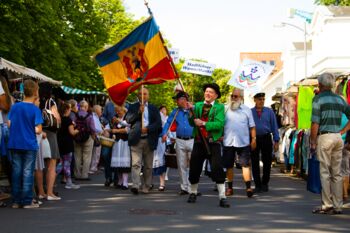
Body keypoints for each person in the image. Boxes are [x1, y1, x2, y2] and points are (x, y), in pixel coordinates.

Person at [311, 73, 350, 215]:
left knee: (325, 172)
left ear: (320, 85)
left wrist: (313, 141)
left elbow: (315, 122)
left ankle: (327, 204)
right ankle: (338, 205)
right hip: (338, 137)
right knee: (337, 173)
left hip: (325, 137)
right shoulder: (340, 100)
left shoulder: (318, 99)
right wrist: (342, 131)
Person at [187, 83, 229, 208]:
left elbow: (219, 124)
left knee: (217, 168)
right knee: (194, 167)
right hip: (199, 142)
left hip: (213, 142)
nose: (207, 94)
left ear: (216, 95)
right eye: (206, 91)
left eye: (211, 92)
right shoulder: (198, 105)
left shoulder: (220, 107)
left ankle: (222, 197)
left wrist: (204, 123)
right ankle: (193, 192)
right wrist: (191, 114)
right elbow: (192, 123)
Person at [8, 80, 43, 208]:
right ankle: (27, 201)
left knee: (16, 171)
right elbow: (39, 129)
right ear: (35, 92)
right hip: (29, 144)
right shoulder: (35, 110)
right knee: (28, 172)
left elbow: (9, 124)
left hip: (14, 143)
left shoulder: (15, 106)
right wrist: (31, 128)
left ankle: (16, 201)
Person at [125, 87, 162, 195]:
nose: (143, 96)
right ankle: (135, 185)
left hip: (149, 139)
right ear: (137, 95)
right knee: (136, 164)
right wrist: (138, 112)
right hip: (136, 139)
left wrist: (148, 128)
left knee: (148, 165)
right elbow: (128, 120)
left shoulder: (153, 108)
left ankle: (146, 186)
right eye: (140, 94)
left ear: (148, 96)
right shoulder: (132, 107)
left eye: (145, 94)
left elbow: (158, 124)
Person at [222, 88, 256, 198]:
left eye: (235, 96)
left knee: (245, 165)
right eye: (232, 96)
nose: (233, 98)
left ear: (241, 98)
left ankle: (248, 187)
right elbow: (220, 124)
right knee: (229, 166)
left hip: (243, 142)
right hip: (228, 141)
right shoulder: (225, 108)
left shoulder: (247, 110)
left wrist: (254, 139)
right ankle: (230, 188)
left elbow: (252, 126)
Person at [162, 91, 194, 195]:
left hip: (192, 140)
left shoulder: (193, 110)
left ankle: (192, 187)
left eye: (178, 99)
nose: (176, 101)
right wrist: (164, 133)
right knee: (181, 165)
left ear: (184, 100)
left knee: (192, 165)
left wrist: (192, 109)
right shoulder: (175, 111)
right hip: (179, 140)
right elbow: (168, 123)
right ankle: (184, 187)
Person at [251, 92, 280, 193]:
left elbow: (274, 126)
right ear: (254, 100)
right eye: (259, 99)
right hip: (254, 139)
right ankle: (257, 184)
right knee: (254, 162)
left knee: (267, 161)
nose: (262, 101)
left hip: (266, 138)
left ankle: (265, 183)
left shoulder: (269, 111)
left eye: (263, 99)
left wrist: (276, 141)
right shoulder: (250, 112)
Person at [57, 101, 80, 189]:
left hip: (60, 143)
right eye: (70, 109)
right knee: (66, 164)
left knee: (61, 163)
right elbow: (72, 132)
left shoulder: (59, 119)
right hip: (67, 143)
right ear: (67, 110)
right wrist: (78, 130)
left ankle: (51, 178)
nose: (70, 110)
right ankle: (69, 183)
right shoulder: (68, 120)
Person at [72, 100, 97, 180]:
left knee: (77, 156)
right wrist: (94, 136)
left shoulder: (75, 115)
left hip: (76, 137)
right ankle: (84, 175)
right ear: (86, 107)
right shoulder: (89, 116)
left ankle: (77, 174)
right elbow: (92, 128)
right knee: (87, 157)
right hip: (87, 137)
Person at [110, 104, 131, 190]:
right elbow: (111, 128)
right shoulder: (115, 118)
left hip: (125, 143)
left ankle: (125, 183)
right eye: (117, 111)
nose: (118, 112)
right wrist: (111, 130)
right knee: (117, 163)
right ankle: (120, 181)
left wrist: (117, 130)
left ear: (124, 111)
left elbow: (127, 130)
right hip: (117, 142)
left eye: (119, 111)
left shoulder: (128, 118)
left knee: (124, 163)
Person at [153, 105, 168, 191]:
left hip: (160, 140)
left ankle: (162, 183)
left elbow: (164, 126)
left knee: (160, 161)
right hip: (151, 141)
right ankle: (149, 183)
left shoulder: (161, 117)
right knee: (149, 162)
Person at [89, 105, 103, 174]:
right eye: (100, 110)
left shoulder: (95, 117)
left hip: (96, 136)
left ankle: (94, 167)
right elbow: (96, 128)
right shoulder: (94, 117)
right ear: (97, 110)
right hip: (96, 136)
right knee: (95, 153)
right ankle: (93, 168)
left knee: (95, 153)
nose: (101, 111)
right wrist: (102, 131)